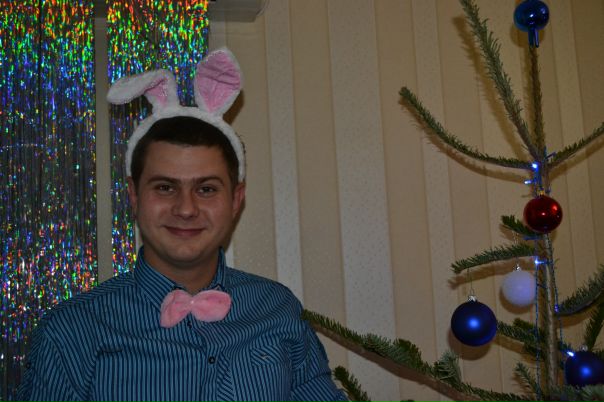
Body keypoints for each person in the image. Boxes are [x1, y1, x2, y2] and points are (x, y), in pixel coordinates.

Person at [17, 48, 347, 402]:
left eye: (206, 189)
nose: (186, 209)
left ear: (236, 199)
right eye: (165, 187)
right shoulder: (70, 332)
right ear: (134, 196)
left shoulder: (278, 309)